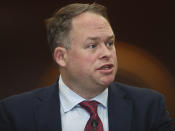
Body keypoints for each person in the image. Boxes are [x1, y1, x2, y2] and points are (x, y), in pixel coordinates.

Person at [0, 3, 173, 131]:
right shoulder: (16, 114)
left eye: (110, 43)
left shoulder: (149, 108)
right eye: (92, 45)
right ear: (61, 56)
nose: (107, 53)